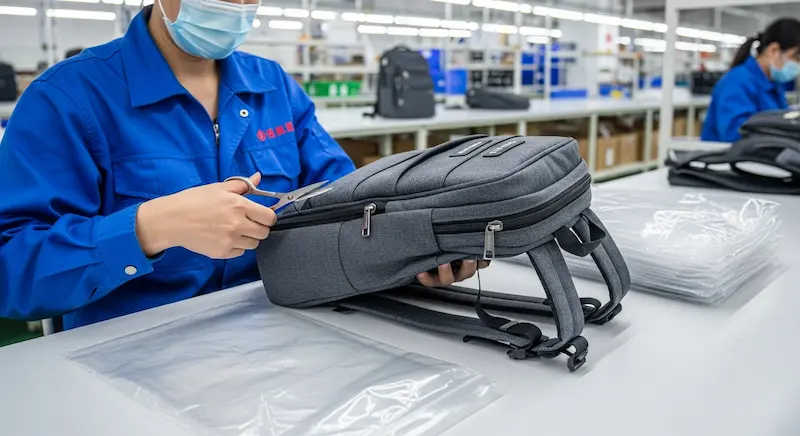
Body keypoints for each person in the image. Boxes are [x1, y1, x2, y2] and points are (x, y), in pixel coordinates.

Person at [0, 0, 484, 330]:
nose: (234, 6)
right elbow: (12, 270)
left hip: (283, 328)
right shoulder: (67, 99)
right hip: (130, 350)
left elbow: (346, 201)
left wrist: (417, 246)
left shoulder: (273, 86)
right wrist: (148, 228)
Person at [701, 18, 800, 143]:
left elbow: (784, 122)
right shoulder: (737, 82)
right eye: (796, 58)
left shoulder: (774, 85)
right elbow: (735, 134)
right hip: (729, 160)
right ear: (774, 50)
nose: (798, 65)